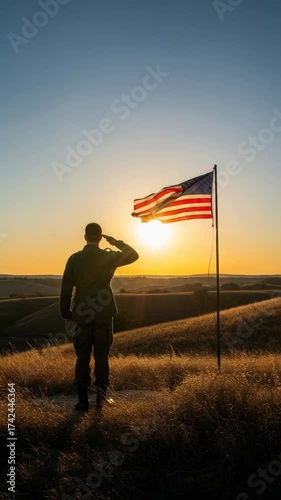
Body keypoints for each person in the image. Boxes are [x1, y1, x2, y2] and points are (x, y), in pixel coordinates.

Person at [59, 223, 139, 411]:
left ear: (85, 237)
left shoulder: (75, 259)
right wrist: (115, 241)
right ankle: (101, 400)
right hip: (103, 312)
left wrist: (66, 312)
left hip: (81, 313)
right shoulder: (108, 256)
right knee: (102, 356)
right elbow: (134, 255)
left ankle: (82, 401)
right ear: (100, 236)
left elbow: (66, 287)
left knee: (82, 356)